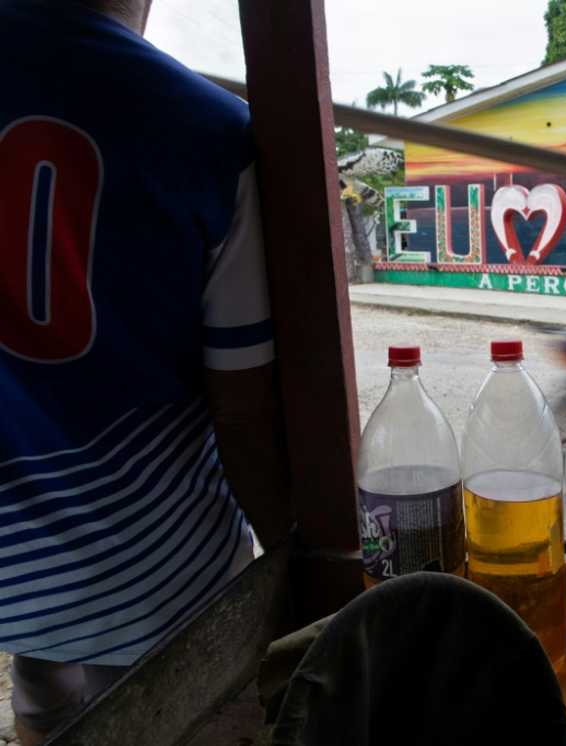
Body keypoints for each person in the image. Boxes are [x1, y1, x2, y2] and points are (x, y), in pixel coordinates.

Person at [0, 1, 292, 742]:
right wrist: (299, 559)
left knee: (41, 684)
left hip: (13, 564)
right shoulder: (206, 127)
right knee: (146, 709)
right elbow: (244, 410)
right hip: (148, 564)